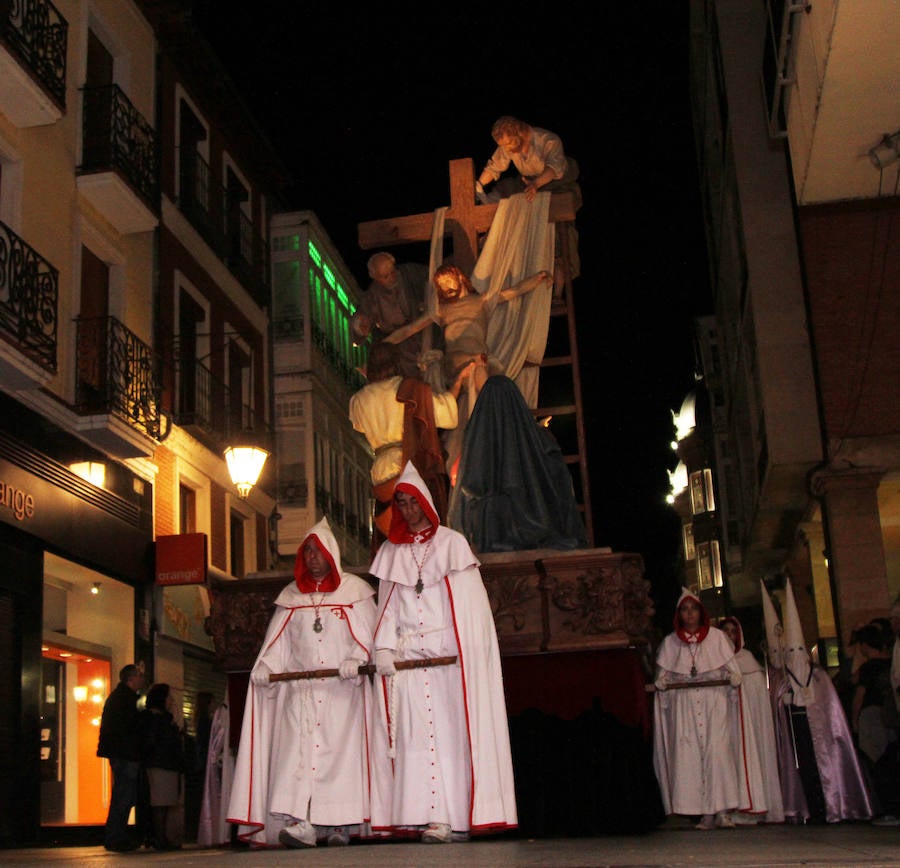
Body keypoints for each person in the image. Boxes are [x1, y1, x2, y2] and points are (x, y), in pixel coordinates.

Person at [368, 461, 517, 843]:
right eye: (400, 503)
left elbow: (469, 610)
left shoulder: (453, 545)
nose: (407, 510)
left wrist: (463, 650)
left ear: (426, 504)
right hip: (409, 665)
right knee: (416, 742)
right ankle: (428, 816)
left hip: (450, 663)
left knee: (452, 740)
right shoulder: (390, 552)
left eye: (412, 502)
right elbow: (387, 608)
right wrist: (383, 649)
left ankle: (457, 816)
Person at [226, 517, 378, 848]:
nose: (311, 556)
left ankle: (339, 825)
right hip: (301, 693)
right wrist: (266, 665)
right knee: (298, 757)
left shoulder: (355, 592)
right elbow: (278, 644)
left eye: (317, 550)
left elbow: (368, 636)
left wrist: (357, 657)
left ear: (331, 554)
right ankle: (302, 822)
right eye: (306, 550)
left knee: (340, 759)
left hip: (342, 693)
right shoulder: (291, 598)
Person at [385, 265, 552, 483]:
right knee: (476, 374)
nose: (446, 287)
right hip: (454, 364)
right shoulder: (442, 311)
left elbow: (514, 291)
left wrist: (538, 278)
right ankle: (500, 428)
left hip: (478, 361)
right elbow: (409, 330)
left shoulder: (480, 301)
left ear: (459, 278)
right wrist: (383, 345)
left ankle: (505, 434)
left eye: (448, 281)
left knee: (487, 380)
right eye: (441, 286)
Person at [349, 340, 471, 544]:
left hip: (380, 470)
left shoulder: (358, 399)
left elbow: (359, 424)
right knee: (418, 531)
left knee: (390, 532)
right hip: (408, 463)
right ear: (396, 362)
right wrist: (458, 383)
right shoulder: (409, 388)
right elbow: (444, 413)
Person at [652, 588, 745, 831]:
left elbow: (730, 669)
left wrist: (733, 677)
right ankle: (704, 813)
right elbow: (665, 676)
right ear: (679, 614)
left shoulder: (716, 638)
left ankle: (723, 811)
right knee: (691, 756)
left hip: (713, 702)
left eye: (693, 608)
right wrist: (663, 683)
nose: (690, 614)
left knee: (718, 753)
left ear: (700, 612)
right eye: (685, 609)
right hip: (685, 707)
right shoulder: (670, 643)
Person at [717, 616, 784, 825]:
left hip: (748, 728)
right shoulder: (715, 660)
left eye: (733, 631)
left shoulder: (748, 661)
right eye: (725, 631)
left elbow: (756, 701)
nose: (729, 635)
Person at [350, 251, 432, 380]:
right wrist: (360, 326)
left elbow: (433, 276)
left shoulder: (411, 273)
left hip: (425, 335)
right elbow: (362, 318)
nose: (392, 277)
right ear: (376, 278)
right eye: (385, 276)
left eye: (393, 271)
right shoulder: (372, 297)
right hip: (399, 350)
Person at [476, 115, 581, 208]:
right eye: (503, 146)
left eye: (509, 144)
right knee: (505, 189)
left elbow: (554, 168)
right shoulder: (507, 146)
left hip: (553, 182)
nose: (506, 149)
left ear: (520, 133)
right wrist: (478, 185)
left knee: (554, 203)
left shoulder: (548, 140)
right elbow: (494, 167)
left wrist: (535, 184)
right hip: (528, 182)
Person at [97, 663, 146, 852]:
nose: (142, 679)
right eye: (140, 676)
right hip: (126, 754)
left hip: (121, 753)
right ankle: (116, 836)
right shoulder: (127, 700)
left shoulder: (119, 698)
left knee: (123, 794)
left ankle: (117, 835)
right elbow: (131, 728)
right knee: (124, 795)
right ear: (131, 679)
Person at [140, 682, 186, 851]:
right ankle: (161, 838)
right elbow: (151, 741)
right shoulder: (156, 718)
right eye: (168, 697)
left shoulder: (162, 718)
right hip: (161, 764)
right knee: (160, 803)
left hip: (165, 764)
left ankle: (162, 837)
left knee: (163, 804)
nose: (170, 701)